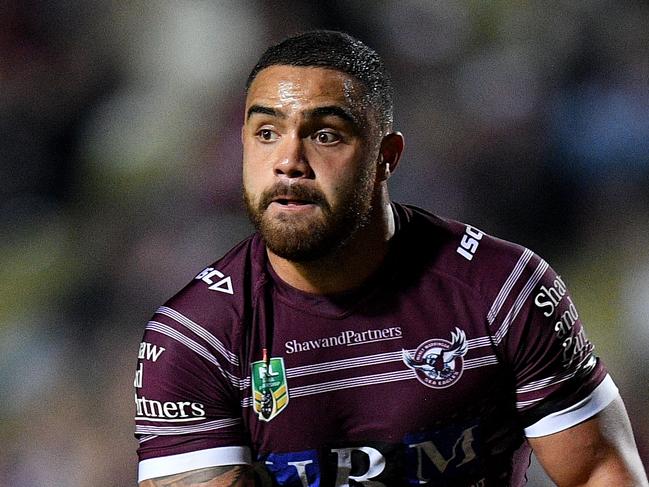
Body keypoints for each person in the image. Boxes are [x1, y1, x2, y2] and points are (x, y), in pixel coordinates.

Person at [133, 31, 647, 486]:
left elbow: (598, 472)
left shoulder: (504, 292)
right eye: (266, 133)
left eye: (325, 134)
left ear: (387, 156)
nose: (288, 161)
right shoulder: (193, 340)